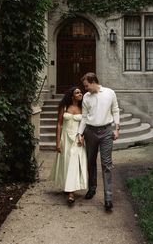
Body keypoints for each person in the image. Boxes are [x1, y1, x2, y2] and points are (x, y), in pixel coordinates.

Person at [77, 72, 120, 212]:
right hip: (90, 132)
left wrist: (117, 129)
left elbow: (115, 110)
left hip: (107, 132)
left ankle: (108, 198)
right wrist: (80, 133)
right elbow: (84, 117)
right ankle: (92, 188)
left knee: (106, 164)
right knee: (90, 162)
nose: (85, 88)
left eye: (86, 85)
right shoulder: (86, 98)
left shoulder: (109, 93)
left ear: (93, 81)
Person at [50, 87, 88, 204]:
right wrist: (57, 142)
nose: (80, 94)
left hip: (77, 139)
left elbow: (86, 124)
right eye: (77, 92)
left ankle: (71, 193)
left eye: (81, 92)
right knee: (66, 163)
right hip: (65, 138)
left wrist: (83, 137)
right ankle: (68, 186)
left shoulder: (83, 108)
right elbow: (59, 124)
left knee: (73, 164)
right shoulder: (64, 107)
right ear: (72, 96)